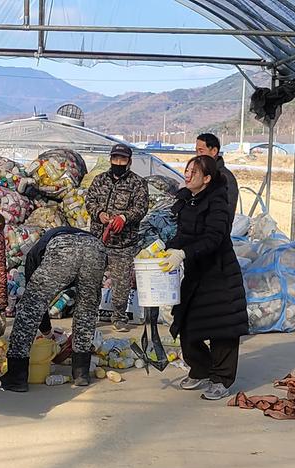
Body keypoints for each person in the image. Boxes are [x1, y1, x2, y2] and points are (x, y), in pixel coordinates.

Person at [159, 154, 248, 400]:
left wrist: (183, 253)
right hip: (197, 273)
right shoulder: (189, 201)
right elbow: (184, 233)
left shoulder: (217, 202)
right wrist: (166, 248)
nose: (187, 175)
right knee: (186, 323)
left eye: (194, 173)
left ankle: (221, 379)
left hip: (219, 274)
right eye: (187, 171)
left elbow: (214, 238)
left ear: (207, 179)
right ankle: (200, 369)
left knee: (222, 328)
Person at [0, 230, 107, 391]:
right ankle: (81, 372)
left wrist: (46, 331)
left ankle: (16, 376)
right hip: (96, 249)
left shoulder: (33, 256)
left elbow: (36, 305)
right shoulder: (51, 239)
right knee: (86, 309)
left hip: (64, 248)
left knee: (29, 306)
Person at [85, 143, 148, 332]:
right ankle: (88, 316)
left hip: (123, 243)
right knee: (91, 280)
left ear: (129, 162)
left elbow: (141, 207)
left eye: (122, 159)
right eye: (115, 159)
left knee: (121, 283)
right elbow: (90, 201)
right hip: (99, 239)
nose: (118, 163)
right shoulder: (99, 180)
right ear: (110, 159)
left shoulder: (137, 183)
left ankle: (119, 317)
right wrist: (100, 214)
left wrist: (124, 217)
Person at [196, 133, 239, 216]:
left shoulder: (225, 178)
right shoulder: (202, 173)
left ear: (214, 151)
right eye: (196, 151)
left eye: (201, 151)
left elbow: (227, 212)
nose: (198, 155)